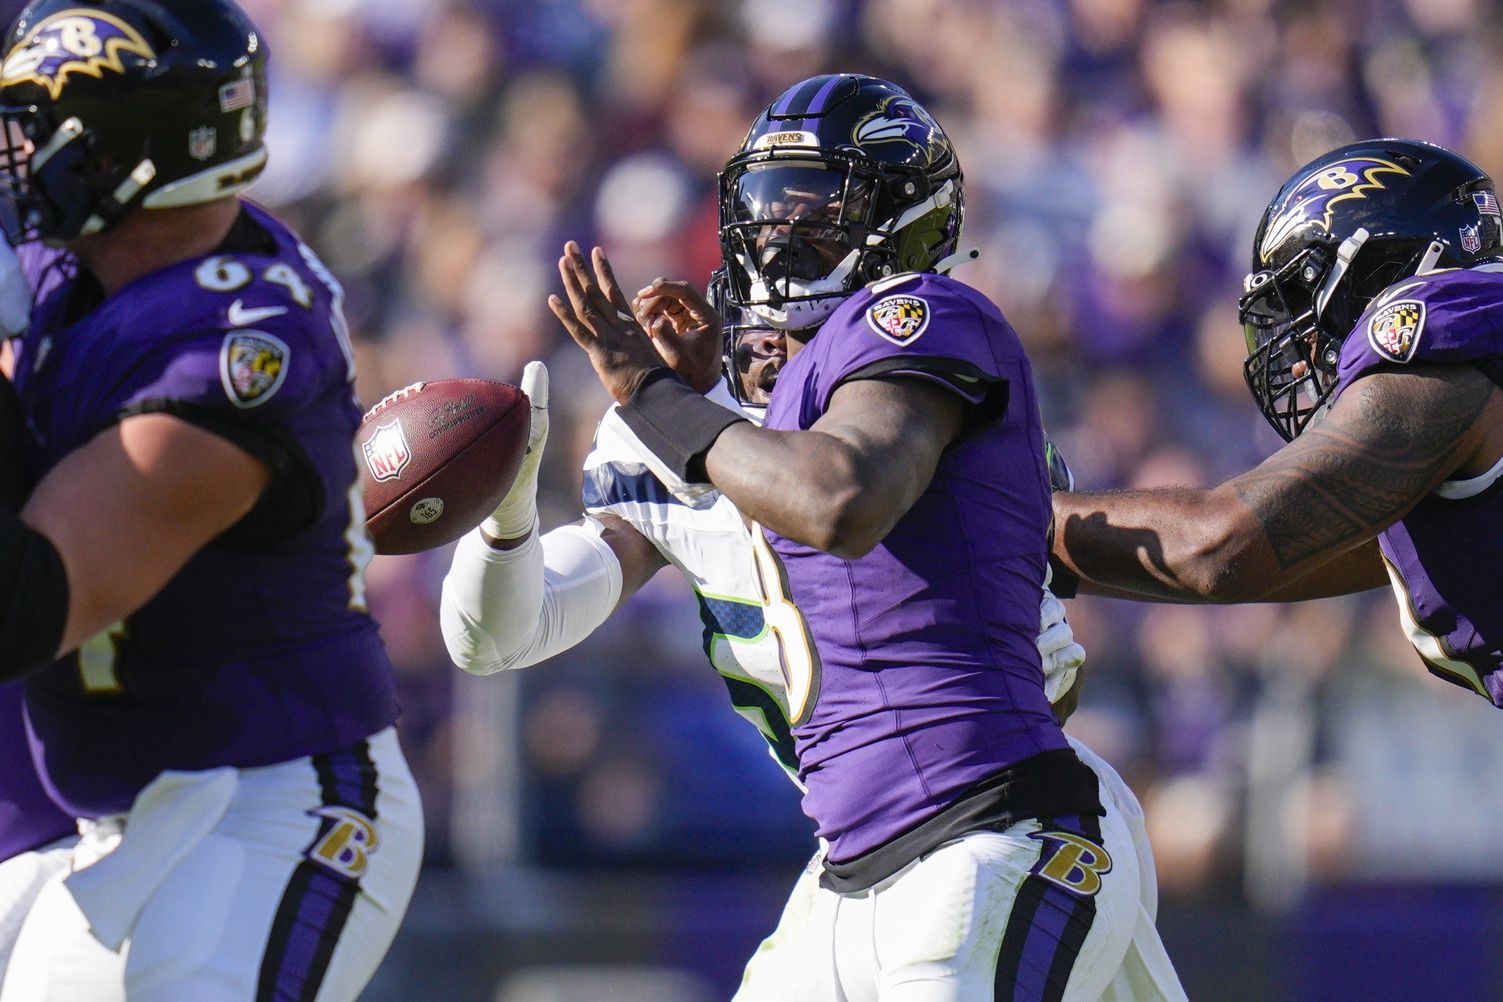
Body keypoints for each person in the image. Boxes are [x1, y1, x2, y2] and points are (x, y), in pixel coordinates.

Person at [539, 73, 1184, 1001]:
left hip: (986, 827)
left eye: (812, 208)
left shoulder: (918, 318)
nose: (775, 237)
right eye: (763, 209)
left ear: (898, 218)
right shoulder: (787, 391)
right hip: (861, 860)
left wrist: (657, 400)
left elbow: (838, 498)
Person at [0, 1, 422, 998]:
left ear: (121, 152)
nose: (12, 149)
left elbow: (25, 610)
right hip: (116, 821)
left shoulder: (234, 348)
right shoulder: (90, 267)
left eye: (34, 122)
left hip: (271, 804)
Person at [1048, 139, 1503, 707]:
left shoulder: (1442, 357)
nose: (1297, 355)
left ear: (1381, 272)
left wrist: (1015, 518)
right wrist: (1059, 559)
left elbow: (1223, 544)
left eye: (1302, 304)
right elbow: (1286, 557)